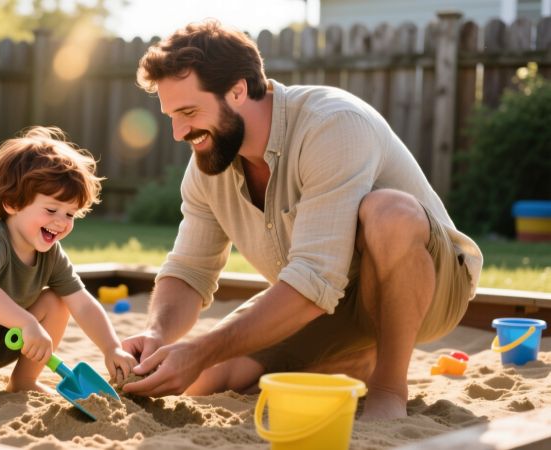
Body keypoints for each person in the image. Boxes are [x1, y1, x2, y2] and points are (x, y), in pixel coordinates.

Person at [120, 20, 482, 420]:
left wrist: (202, 347)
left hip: (432, 287)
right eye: (171, 115)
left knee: (388, 213)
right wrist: (157, 335)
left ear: (238, 90)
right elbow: (189, 271)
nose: (178, 132)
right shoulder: (210, 164)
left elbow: (313, 276)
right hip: (331, 299)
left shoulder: (333, 124)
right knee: (210, 377)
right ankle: (358, 357)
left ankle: (388, 387)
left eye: (188, 111)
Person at [0, 126, 137, 414]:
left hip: (3, 339)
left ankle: (23, 380)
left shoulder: (51, 254)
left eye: (70, 214)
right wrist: (28, 323)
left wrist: (111, 347)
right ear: (12, 203)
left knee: (58, 302)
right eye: (51, 210)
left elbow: (81, 303)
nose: (61, 222)